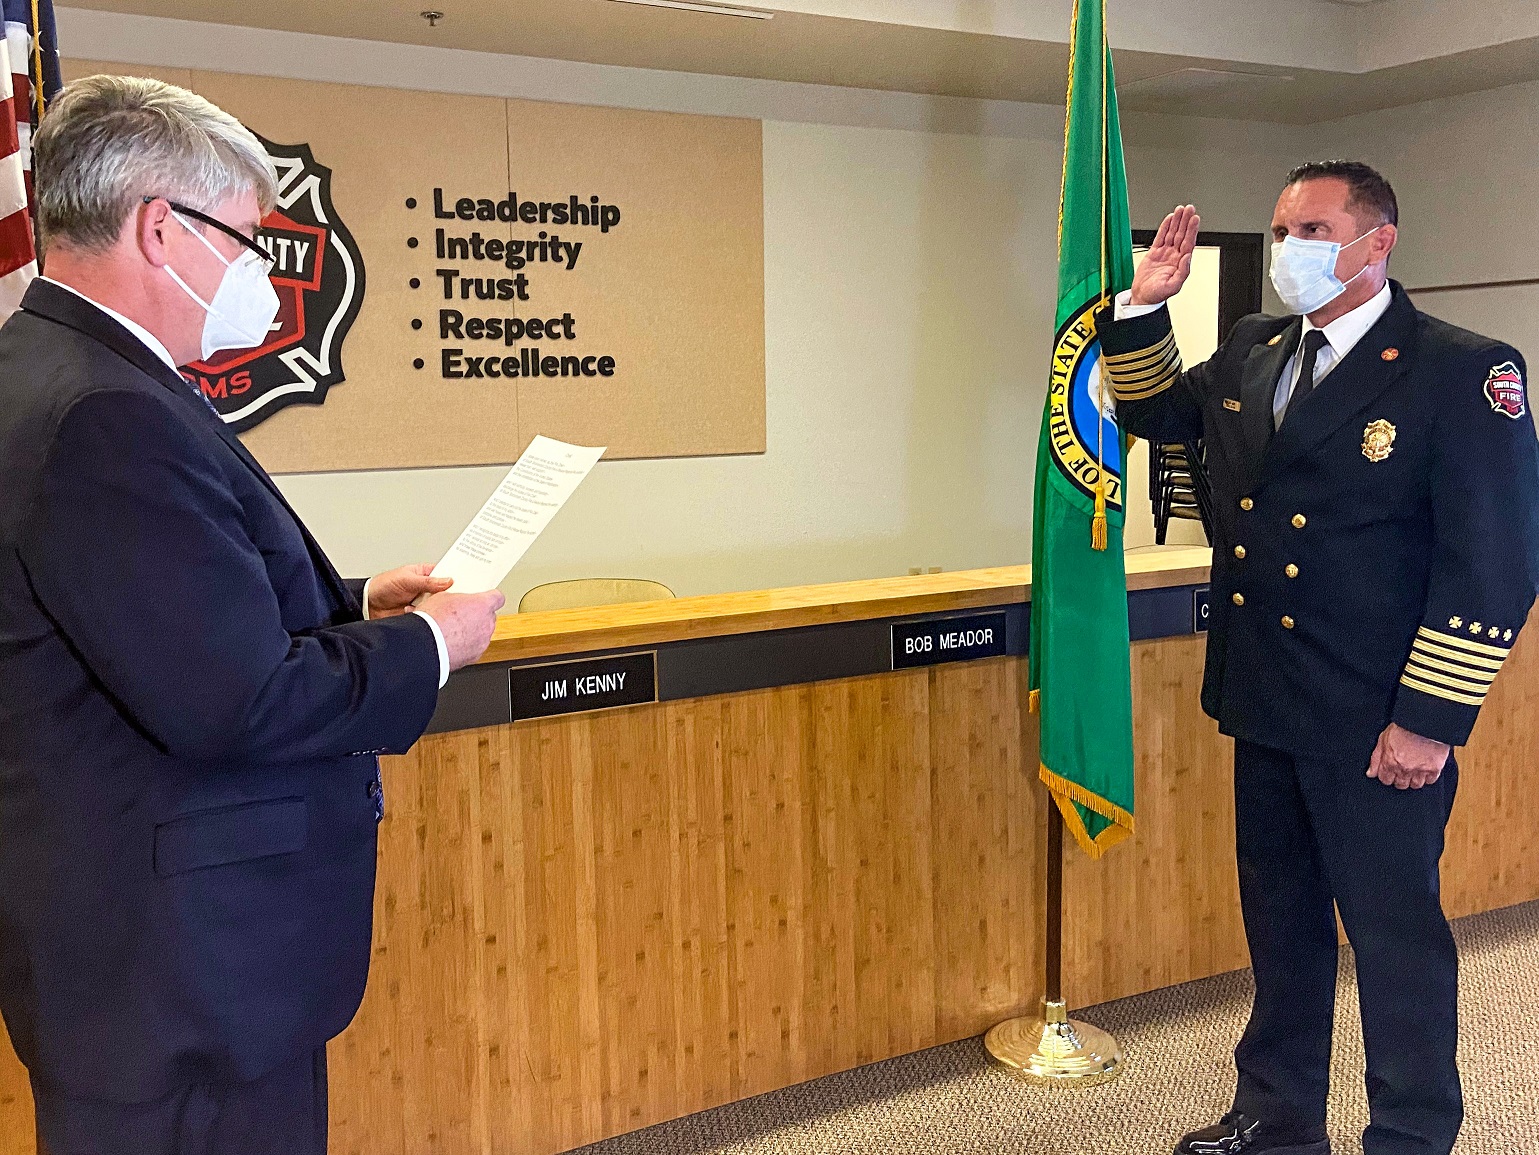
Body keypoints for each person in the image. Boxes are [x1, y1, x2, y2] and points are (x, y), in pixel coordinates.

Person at [0, 76, 506, 1154]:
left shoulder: (51, 370)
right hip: (177, 983)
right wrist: (429, 643)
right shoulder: (102, 411)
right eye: (246, 241)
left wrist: (356, 602)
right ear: (160, 229)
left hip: (140, 962)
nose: (262, 274)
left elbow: (157, 616)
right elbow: (235, 701)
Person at [1101, 161, 1539, 1155]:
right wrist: (1143, 309)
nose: (1289, 249)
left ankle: (1410, 1133)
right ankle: (1278, 1115)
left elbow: (1495, 560)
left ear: (1377, 242)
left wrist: (1428, 720)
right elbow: (1158, 417)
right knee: (1282, 928)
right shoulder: (1255, 348)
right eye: (1282, 229)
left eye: (1314, 231)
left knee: (1395, 942)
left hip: (1378, 717)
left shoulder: (1460, 369)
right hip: (1267, 697)